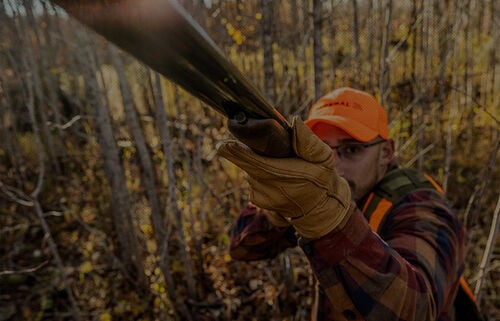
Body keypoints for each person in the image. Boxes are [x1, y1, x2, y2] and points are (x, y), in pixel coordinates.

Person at [217, 87, 475, 321]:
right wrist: (278, 212)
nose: (335, 166)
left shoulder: (421, 205)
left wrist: (329, 221)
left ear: (386, 152)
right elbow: (242, 249)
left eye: (351, 150)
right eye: (323, 150)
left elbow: (416, 310)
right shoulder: (317, 190)